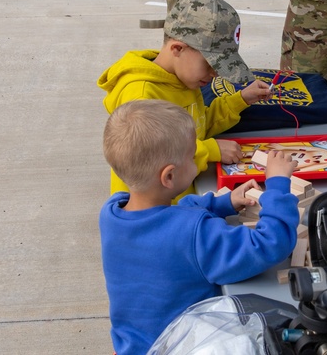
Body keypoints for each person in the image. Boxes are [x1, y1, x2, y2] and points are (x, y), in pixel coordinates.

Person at [100, 99, 299, 355]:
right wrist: (278, 185)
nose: (196, 161)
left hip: (132, 345)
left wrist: (224, 202)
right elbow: (269, 245)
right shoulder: (193, 234)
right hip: (183, 346)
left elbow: (173, 213)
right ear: (169, 176)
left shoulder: (113, 213)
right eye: (192, 156)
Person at [98, 0, 271, 200]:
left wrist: (240, 100)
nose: (215, 74)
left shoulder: (183, 79)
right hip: (157, 215)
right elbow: (152, 158)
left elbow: (198, 126)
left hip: (181, 200)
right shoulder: (142, 95)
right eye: (210, 64)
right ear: (178, 48)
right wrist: (210, 150)